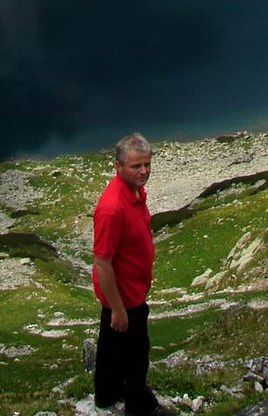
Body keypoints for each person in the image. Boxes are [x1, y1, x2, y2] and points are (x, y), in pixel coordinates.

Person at [92, 133, 160, 415]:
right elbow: (102, 263)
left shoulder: (134, 192)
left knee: (111, 349)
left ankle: (106, 396)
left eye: (147, 164)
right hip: (125, 298)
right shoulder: (112, 208)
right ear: (118, 167)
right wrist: (118, 309)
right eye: (136, 166)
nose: (143, 171)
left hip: (130, 291)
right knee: (136, 353)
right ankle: (137, 403)